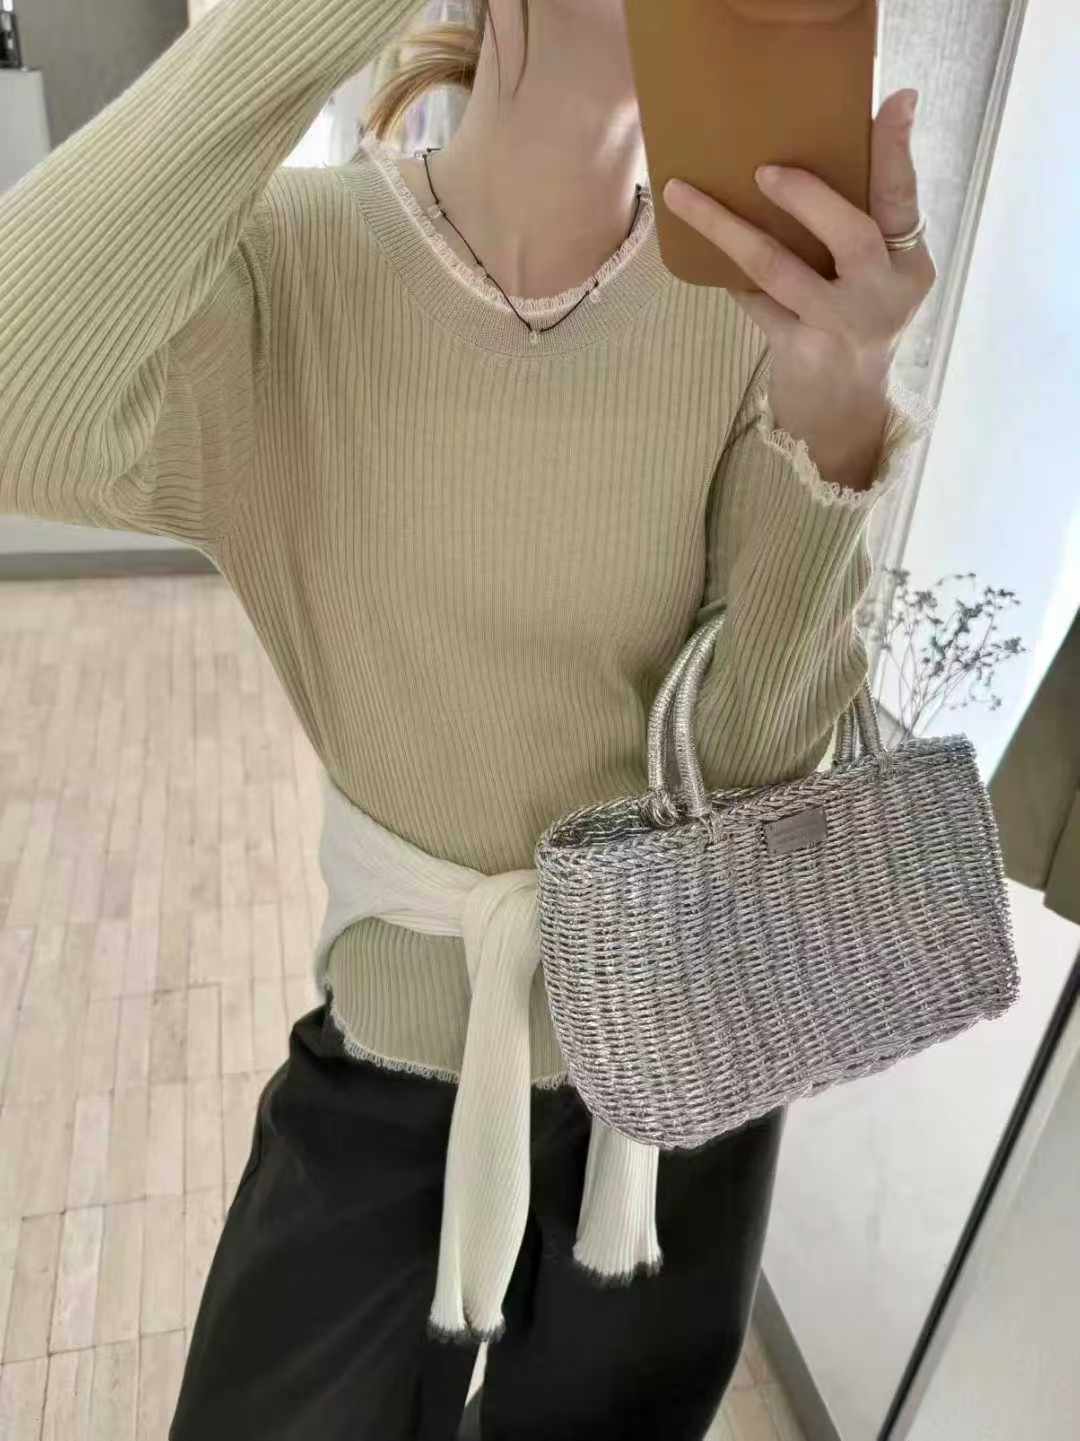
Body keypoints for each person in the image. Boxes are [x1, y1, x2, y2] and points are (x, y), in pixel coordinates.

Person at [0, 1, 936, 1437]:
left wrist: (840, 401)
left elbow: (753, 765)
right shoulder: (293, 272)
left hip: (675, 1080)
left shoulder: (750, 318)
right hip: (393, 1057)